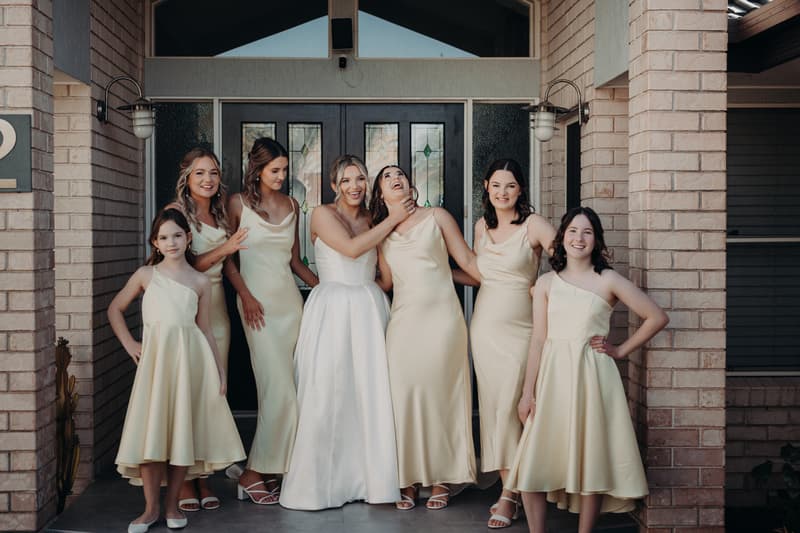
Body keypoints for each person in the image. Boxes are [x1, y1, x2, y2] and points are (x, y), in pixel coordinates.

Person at [506, 206, 669, 533]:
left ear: (596, 240)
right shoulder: (546, 283)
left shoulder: (607, 279)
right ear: (561, 238)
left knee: (590, 457)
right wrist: (527, 393)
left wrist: (620, 350)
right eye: (572, 231)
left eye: (587, 232)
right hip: (552, 378)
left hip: (592, 378)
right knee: (533, 461)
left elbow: (656, 317)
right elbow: (538, 340)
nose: (579, 238)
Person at [280, 155, 415, 510]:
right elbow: (353, 249)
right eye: (346, 180)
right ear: (333, 185)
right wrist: (397, 217)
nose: (354, 186)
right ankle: (321, 484)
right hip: (332, 309)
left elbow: (384, 275)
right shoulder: (322, 214)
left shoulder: (374, 218)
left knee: (372, 394)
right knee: (328, 392)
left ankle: (374, 481)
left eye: (360, 179)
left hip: (369, 309)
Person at [109, 208, 245, 533]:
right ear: (155, 243)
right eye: (164, 237)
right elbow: (116, 308)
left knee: (182, 431)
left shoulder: (200, 281)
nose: (171, 242)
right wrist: (130, 344)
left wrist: (220, 372)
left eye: (177, 235)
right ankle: (150, 508)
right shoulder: (146, 275)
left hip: (190, 360)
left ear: (188, 238)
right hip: (156, 362)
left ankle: (172, 506)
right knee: (152, 431)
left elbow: (206, 330)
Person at [371, 164, 480, 511]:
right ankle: (407, 479)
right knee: (403, 397)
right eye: (386, 177)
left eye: (399, 173)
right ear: (380, 193)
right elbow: (386, 284)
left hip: (443, 321)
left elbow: (468, 263)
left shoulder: (438, 216)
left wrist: (507, 279)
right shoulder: (381, 234)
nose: (395, 178)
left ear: (411, 184)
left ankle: (441, 478)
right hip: (403, 323)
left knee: (440, 397)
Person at [227, 137, 319, 505]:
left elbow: (296, 262)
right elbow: (228, 260)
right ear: (258, 169)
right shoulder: (237, 204)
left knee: (291, 393)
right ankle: (252, 472)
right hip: (256, 308)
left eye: (284, 169)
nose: (281, 176)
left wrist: (326, 288)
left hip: (289, 307)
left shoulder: (293, 205)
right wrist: (246, 297)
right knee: (277, 391)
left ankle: (270, 469)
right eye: (274, 170)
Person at [469, 159, 556, 529]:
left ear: (521, 190)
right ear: (486, 187)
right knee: (495, 411)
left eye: (511, 186)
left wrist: (547, 288)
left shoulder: (533, 224)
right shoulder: (481, 226)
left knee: (518, 408)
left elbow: (567, 258)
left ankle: (514, 494)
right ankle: (509, 492)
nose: (503, 192)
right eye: (496, 185)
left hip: (524, 329)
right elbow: (478, 275)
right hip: (485, 327)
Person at [168, 148, 248, 512]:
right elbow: (185, 266)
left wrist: (245, 295)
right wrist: (225, 248)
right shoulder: (175, 214)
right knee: (187, 394)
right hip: (187, 310)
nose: (208, 180)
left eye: (213, 173)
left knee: (213, 395)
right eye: (200, 173)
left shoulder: (218, 213)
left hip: (218, 311)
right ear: (187, 177)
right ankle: (184, 480)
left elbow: (228, 265)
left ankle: (205, 477)